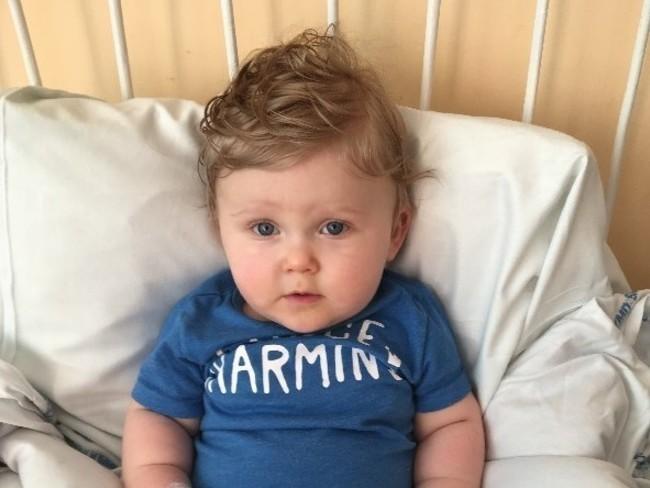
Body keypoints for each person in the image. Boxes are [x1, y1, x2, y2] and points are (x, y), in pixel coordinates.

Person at [122, 28, 485, 488]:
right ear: (220, 233)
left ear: (395, 233)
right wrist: (158, 476)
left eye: (334, 228)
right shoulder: (201, 321)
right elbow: (158, 417)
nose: (298, 261)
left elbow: (451, 423)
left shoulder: (409, 318)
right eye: (264, 229)